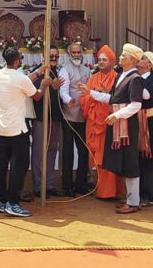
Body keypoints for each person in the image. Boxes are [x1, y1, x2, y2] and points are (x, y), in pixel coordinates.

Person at [80, 43, 144, 214]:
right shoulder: (122, 76)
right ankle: (129, 198)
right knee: (123, 161)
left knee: (130, 162)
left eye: (124, 56)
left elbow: (136, 105)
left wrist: (117, 115)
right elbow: (111, 98)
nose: (120, 58)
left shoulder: (135, 78)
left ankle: (133, 201)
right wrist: (90, 92)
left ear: (132, 60)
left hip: (127, 125)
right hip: (119, 124)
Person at [0, 45, 51, 217]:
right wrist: (43, 85)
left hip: (3, 128)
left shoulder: (0, 74)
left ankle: (2, 201)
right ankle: (13, 203)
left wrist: (38, 73)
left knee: (2, 164)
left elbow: (23, 81)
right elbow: (37, 95)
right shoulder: (19, 78)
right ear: (18, 61)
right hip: (18, 129)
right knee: (19, 166)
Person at [79, 45, 123, 199]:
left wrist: (103, 95)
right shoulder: (93, 78)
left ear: (111, 61)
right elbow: (84, 98)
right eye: (99, 60)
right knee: (95, 157)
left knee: (107, 157)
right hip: (93, 122)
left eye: (105, 60)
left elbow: (118, 100)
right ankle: (98, 186)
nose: (102, 62)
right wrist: (92, 99)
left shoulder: (117, 78)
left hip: (109, 123)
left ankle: (109, 191)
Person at [31, 47, 64, 197]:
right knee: (39, 153)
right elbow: (36, 95)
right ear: (44, 57)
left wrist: (57, 89)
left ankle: (49, 184)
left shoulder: (59, 72)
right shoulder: (37, 72)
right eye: (51, 56)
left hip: (55, 118)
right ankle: (39, 186)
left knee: (51, 152)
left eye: (56, 56)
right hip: (41, 118)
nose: (54, 58)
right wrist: (50, 87)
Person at [58, 41, 90, 196]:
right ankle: (67, 186)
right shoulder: (64, 69)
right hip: (69, 115)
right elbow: (63, 90)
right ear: (69, 54)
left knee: (84, 151)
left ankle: (81, 183)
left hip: (83, 116)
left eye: (79, 52)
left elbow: (90, 89)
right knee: (68, 151)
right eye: (74, 53)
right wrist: (68, 100)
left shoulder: (86, 70)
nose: (76, 55)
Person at [137, 50, 153, 207]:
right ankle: (136, 194)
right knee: (136, 157)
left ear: (149, 65)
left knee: (147, 155)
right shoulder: (137, 77)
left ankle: (147, 195)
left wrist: (132, 80)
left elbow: (146, 95)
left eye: (143, 59)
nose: (139, 60)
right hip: (136, 119)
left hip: (148, 121)